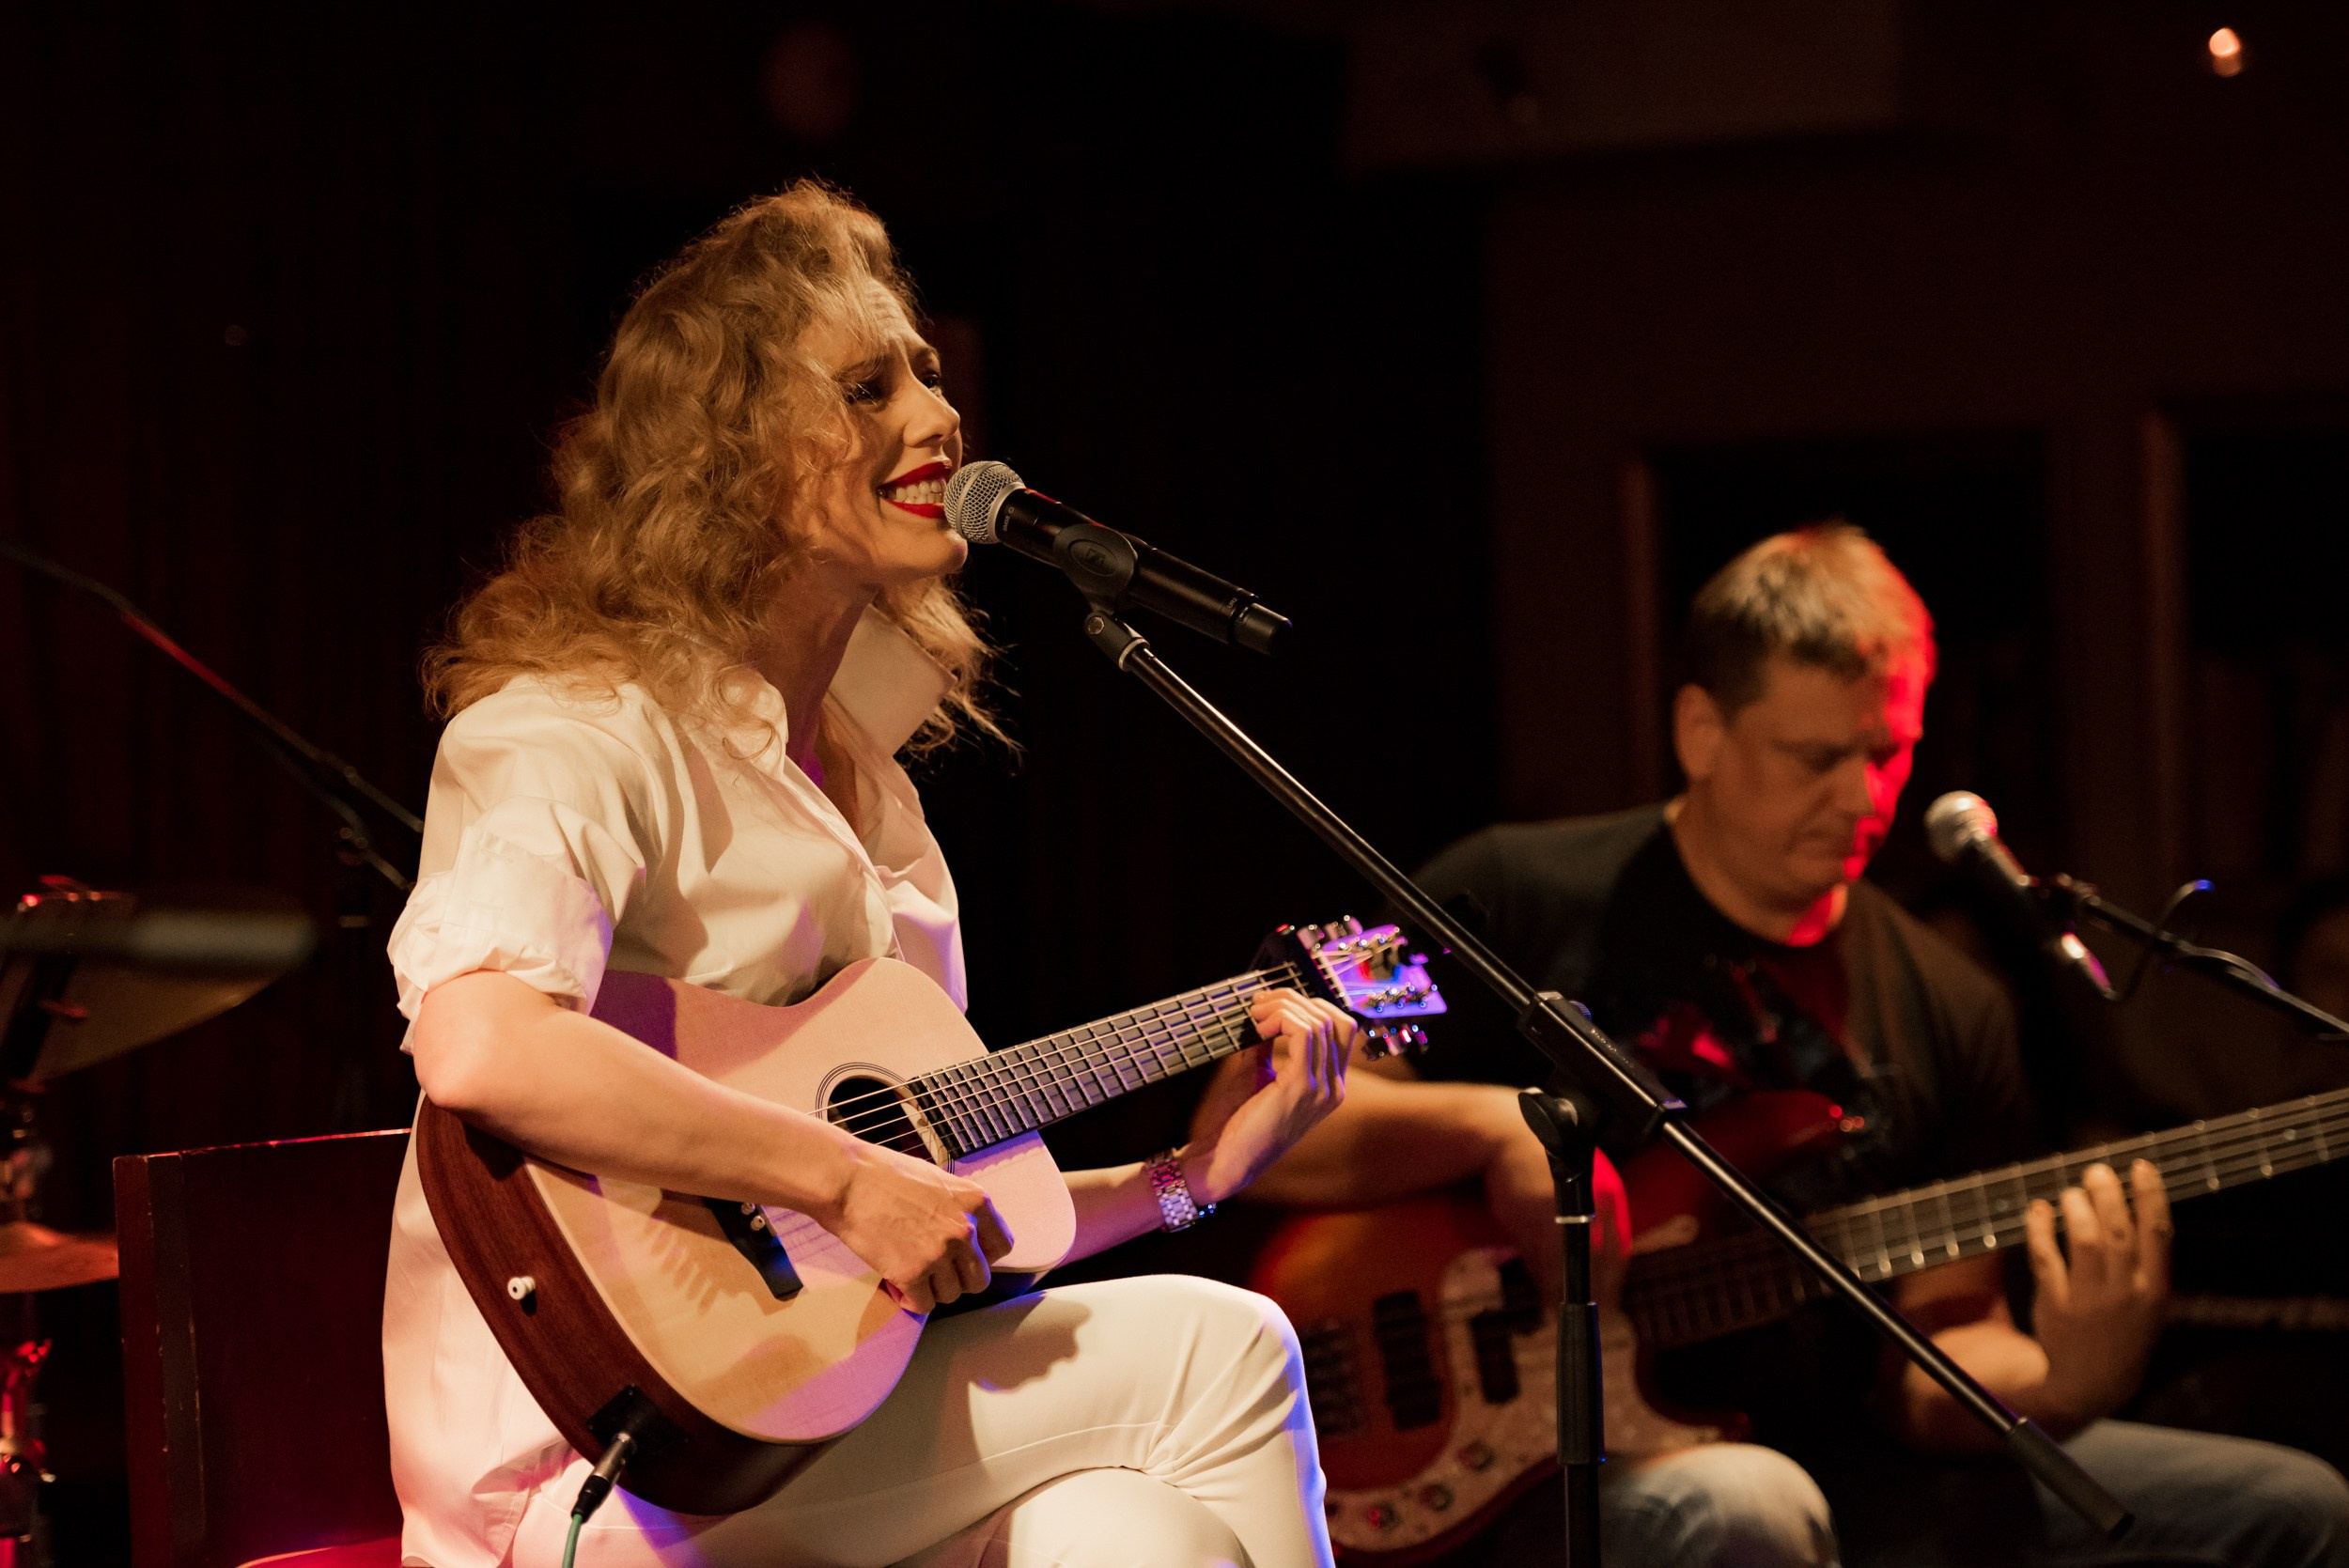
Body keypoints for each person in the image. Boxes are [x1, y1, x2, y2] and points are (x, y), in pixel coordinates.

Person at [382, 182, 1357, 1568]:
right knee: (1221, 1343)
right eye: (866, 386)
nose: (937, 417)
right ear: (727, 458)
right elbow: (480, 1044)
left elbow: (922, 1233)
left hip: (811, 1441)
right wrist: (839, 1179)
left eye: (930, 374)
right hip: (591, 1473)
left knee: (1127, 1532)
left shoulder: (871, 794)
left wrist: (1189, 1179)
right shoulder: (567, 729)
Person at [1232, 525, 2349, 1566]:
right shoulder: (1507, 889)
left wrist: (2064, 1377)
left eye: (1888, 752)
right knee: (1748, 1505)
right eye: (1815, 756)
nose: (1862, 797)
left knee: (2294, 1507)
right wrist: (1489, 1128)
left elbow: (1941, 1347)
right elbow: (1249, 1121)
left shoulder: (1952, 1001)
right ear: (1700, 732)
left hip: (1850, 1452)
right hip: (1542, 1451)